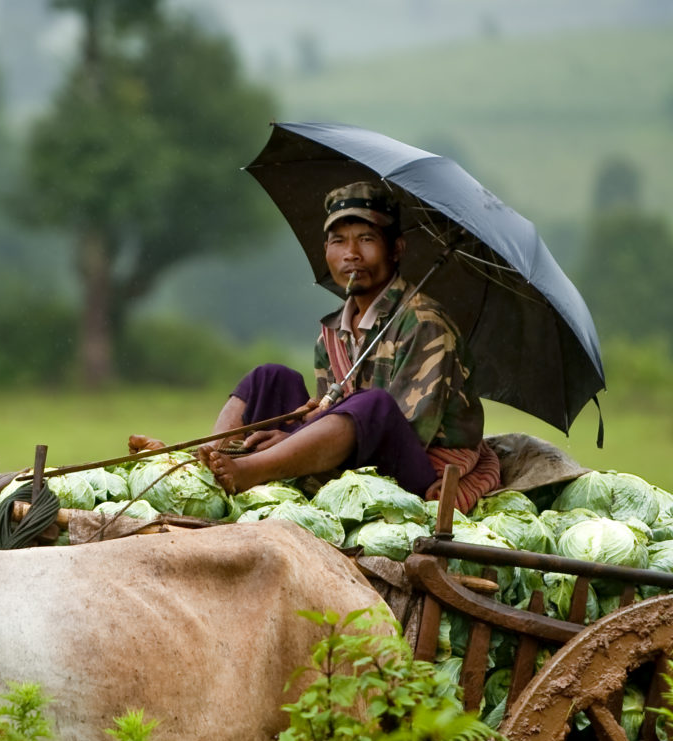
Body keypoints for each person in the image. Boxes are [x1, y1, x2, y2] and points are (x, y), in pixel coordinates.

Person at [191, 180, 500, 512]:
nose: (351, 254)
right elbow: (328, 416)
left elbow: (401, 431)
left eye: (367, 240)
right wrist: (302, 430)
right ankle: (205, 465)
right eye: (339, 241)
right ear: (326, 251)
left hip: (411, 472)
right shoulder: (333, 331)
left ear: (396, 249)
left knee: (374, 404)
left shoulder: (425, 325)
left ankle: (248, 470)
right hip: (351, 458)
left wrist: (294, 439)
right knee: (270, 378)